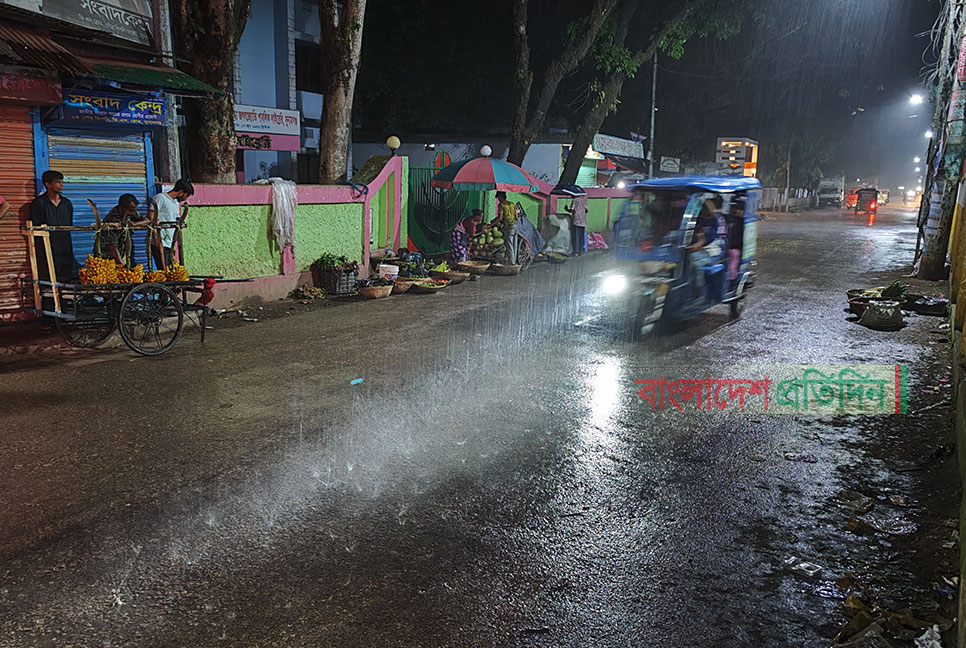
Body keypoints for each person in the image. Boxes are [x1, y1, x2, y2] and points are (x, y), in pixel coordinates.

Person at [29, 170, 74, 282]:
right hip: (47, 251)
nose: (61, 185)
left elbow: (68, 226)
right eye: (57, 182)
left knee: (66, 281)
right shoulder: (38, 203)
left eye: (62, 182)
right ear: (47, 184)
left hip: (65, 249)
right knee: (49, 282)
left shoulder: (66, 204)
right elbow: (36, 228)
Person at [148, 178, 193, 269]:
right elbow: (151, 215)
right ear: (181, 192)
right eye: (186, 195)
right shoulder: (161, 198)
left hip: (169, 242)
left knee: (170, 268)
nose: (185, 198)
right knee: (164, 269)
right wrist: (156, 236)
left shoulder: (175, 203)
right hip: (160, 241)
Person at [97, 193, 148, 265]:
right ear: (121, 208)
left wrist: (135, 224)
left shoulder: (131, 212)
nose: (133, 213)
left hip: (125, 248)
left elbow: (147, 220)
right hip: (109, 256)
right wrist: (122, 266)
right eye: (131, 210)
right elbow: (112, 248)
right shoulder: (112, 219)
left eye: (134, 210)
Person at [495, 191, 518, 264]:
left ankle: (512, 263)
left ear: (501, 197)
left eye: (499, 198)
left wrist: (491, 224)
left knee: (509, 245)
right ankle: (514, 262)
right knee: (514, 245)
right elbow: (516, 217)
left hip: (509, 226)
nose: (498, 199)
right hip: (515, 226)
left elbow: (500, 218)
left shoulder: (501, 205)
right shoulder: (512, 204)